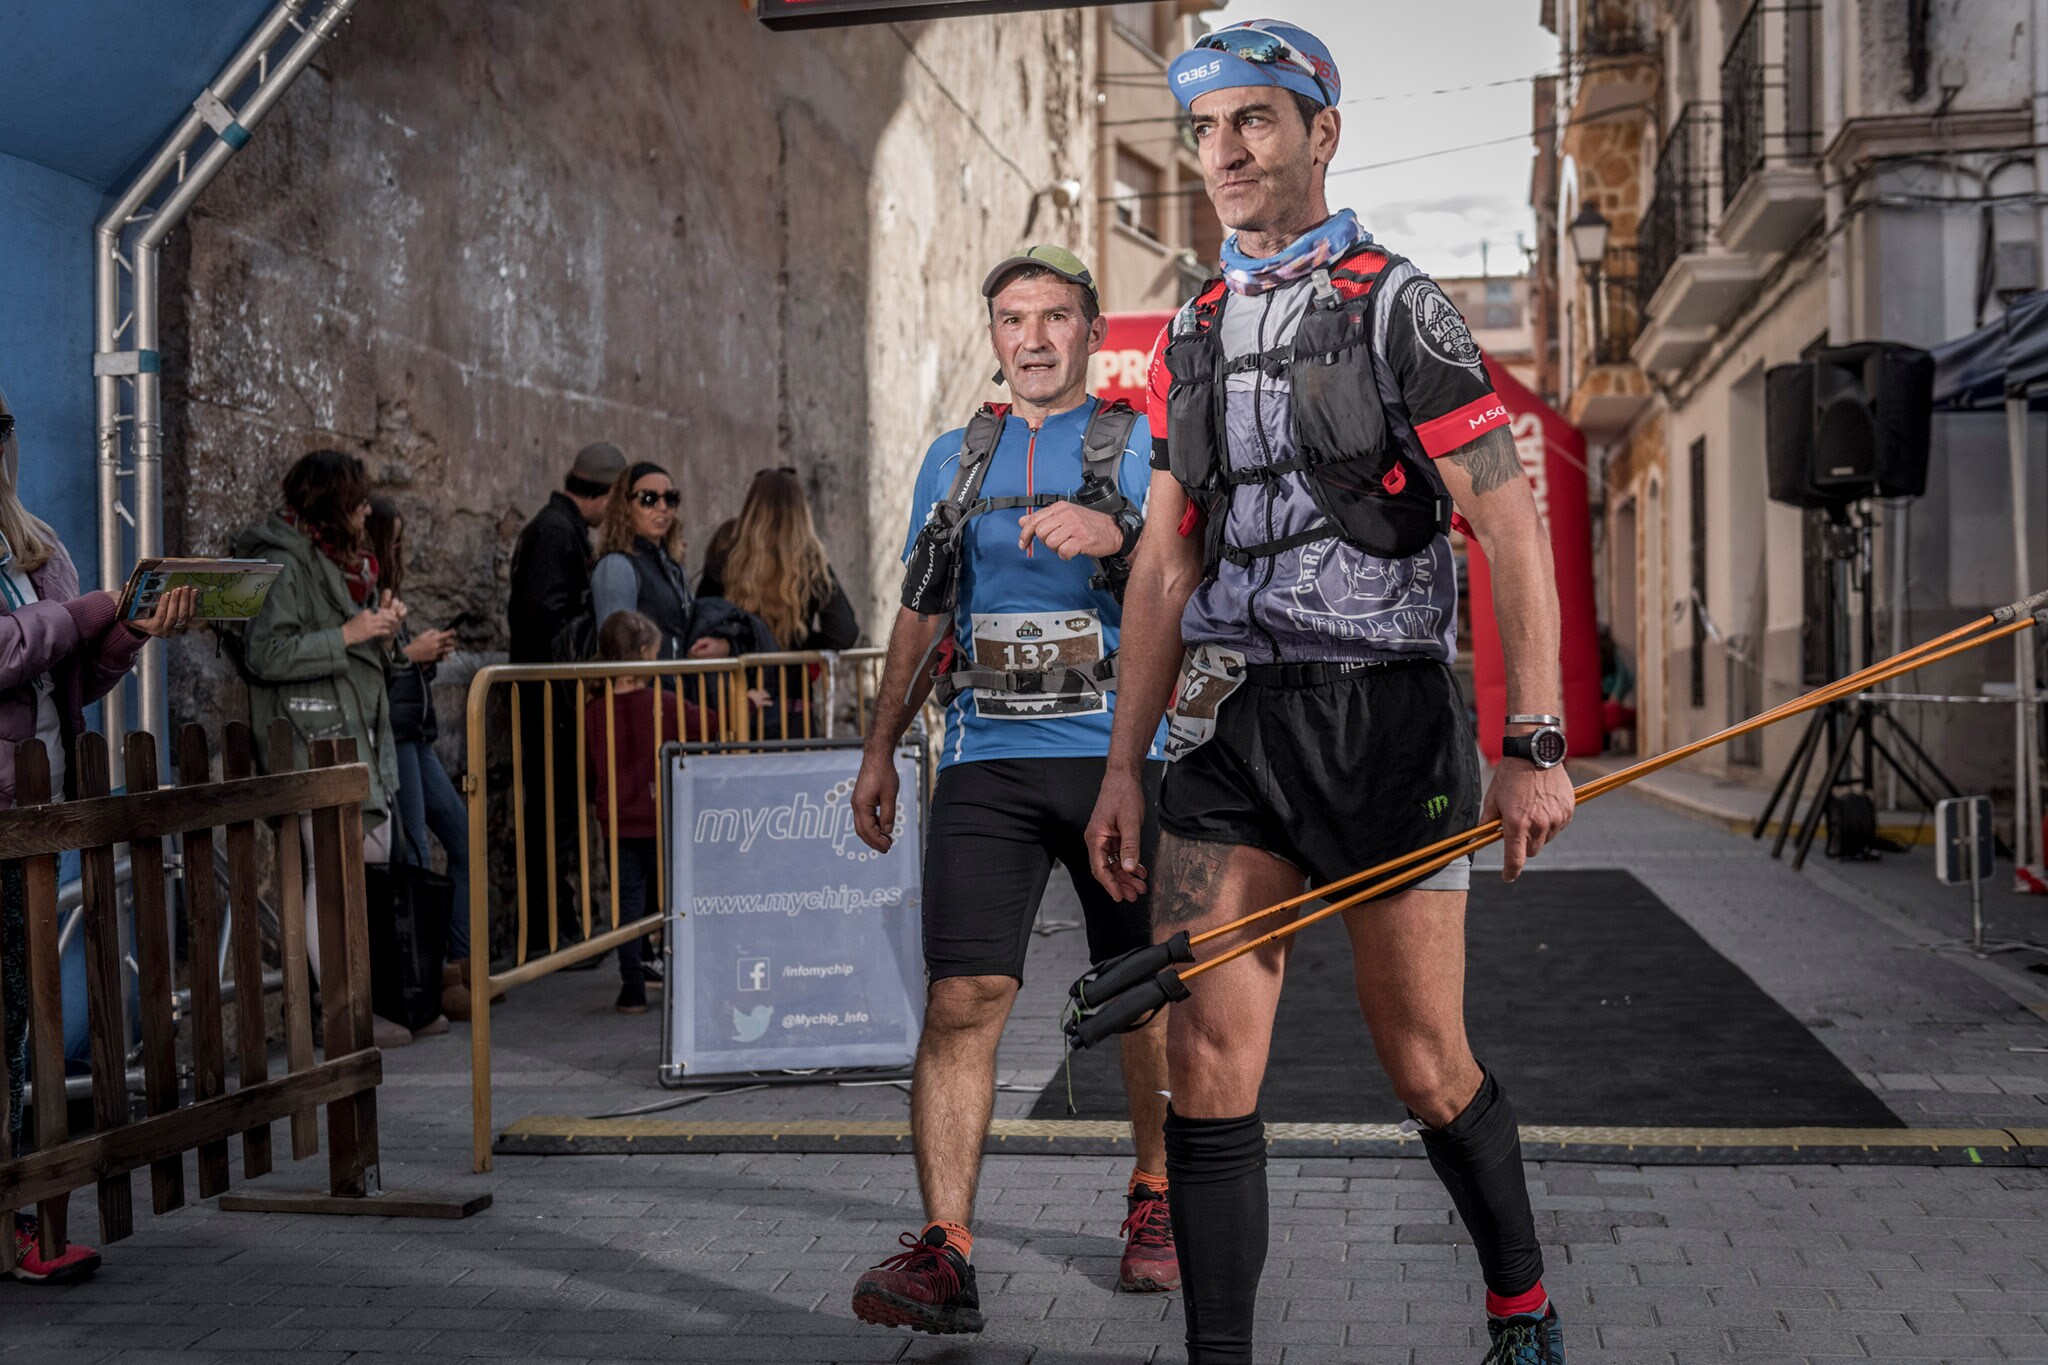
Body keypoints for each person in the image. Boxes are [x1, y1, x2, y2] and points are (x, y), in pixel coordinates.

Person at [1084, 22, 1575, 1364]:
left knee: (1425, 1063)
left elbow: (1510, 526)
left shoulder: (1399, 304)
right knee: (1205, 1066)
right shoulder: (1191, 323)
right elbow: (1166, 564)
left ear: (1319, 132)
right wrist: (1126, 761)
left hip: (1385, 724)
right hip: (1234, 730)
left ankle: (1521, 1308)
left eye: (1253, 120)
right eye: (1204, 129)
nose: (1224, 151)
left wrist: (1532, 738)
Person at [845, 245, 1174, 1337]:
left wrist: (1116, 533)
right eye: (1012, 319)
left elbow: (1195, 580)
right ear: (994, 336)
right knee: (959, 1000)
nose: (1032, 338)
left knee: (1137, 992)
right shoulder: (956, 455)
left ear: (1089, 332)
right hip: (985, 761)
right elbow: (920, 606)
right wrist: (879, 747)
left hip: (1115, 761)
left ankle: (1154, 1197)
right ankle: (947, 1251)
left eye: (1054, 317)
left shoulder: (1135, 449)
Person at [0, 384, 195, 1282]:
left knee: (18, 1025)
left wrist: (125, 633)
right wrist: (86, 613)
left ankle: (18, 1224)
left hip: (34, 816)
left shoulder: (35, 545)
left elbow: (70, 681)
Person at [236, 449, 429, 1047]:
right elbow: (265, 655)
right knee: (327, 874)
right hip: (310, 735)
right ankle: (341, 1014)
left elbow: (354, 646)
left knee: (350, 869)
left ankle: (350, 1006)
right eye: (357, 500)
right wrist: (350, 632)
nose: (366, 509)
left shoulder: (332, 559)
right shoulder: (280, 561)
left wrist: (383, 630)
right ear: (331, 504)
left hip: (349, 731)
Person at [508, 441, 627, 959]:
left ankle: (564, 927)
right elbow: (542, 619)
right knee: (552, 818)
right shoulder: (555, 533)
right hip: (548, 700)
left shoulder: (559, 529)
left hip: (554, 698)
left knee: (560, 817)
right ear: (602, 495)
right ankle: (553, 932)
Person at [364, 496, 474, 1020]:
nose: (403, 550)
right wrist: (412, 655)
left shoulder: (390, 594)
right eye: (398, 539)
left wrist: (424, 657)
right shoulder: (364, 592)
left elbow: (393, 669)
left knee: (462, 834)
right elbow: (367, 667)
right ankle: (422, 984)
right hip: (396, 736)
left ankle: (461, 966)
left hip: (416, 733)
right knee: (413, 857)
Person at [583, 610, 712, 1014]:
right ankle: (676, 974)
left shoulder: (593, 710)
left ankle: (632, 987)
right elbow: (705, 722)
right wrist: (744, 701)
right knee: (670, 898)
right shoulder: (664, 702)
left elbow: (589, 766)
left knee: (627, 904)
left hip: (616, 821)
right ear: (642, 655)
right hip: (661, 815)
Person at [699, 468, 860, 737]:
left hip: (739, 708)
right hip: (793, 714)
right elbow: (844, 633)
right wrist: (798, 643)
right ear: (801, 511)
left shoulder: (726, 560)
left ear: (751, 507)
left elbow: (703, 620)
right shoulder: (810, 565)